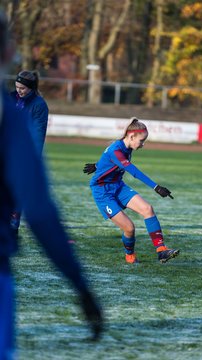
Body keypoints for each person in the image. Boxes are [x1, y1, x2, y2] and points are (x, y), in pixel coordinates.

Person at [0, 12, 103, 359]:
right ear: (8, 51)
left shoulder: (33, 108)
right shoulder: (8, 118)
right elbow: (42, 213)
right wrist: (82, 287)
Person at [83, 117, 180, 264]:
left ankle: (161, 251)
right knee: (129, 228)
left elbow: (111, 160)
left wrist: (97, 166)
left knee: (147, 209)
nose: (143, 144)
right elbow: (133, 171)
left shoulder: (126, 147)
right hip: (103, 192)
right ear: (131, 136)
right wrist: (156, 187)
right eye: (141, 141)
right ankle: (130, 256)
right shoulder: (116, 149)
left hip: (118, 186)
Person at [10, 69, 49, 234]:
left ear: (31, 88)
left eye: (23, 88)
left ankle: (13, 226)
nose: (19, 90)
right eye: (17, 86)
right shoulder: (10, 98)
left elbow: (38, 135)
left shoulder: (39, 105)